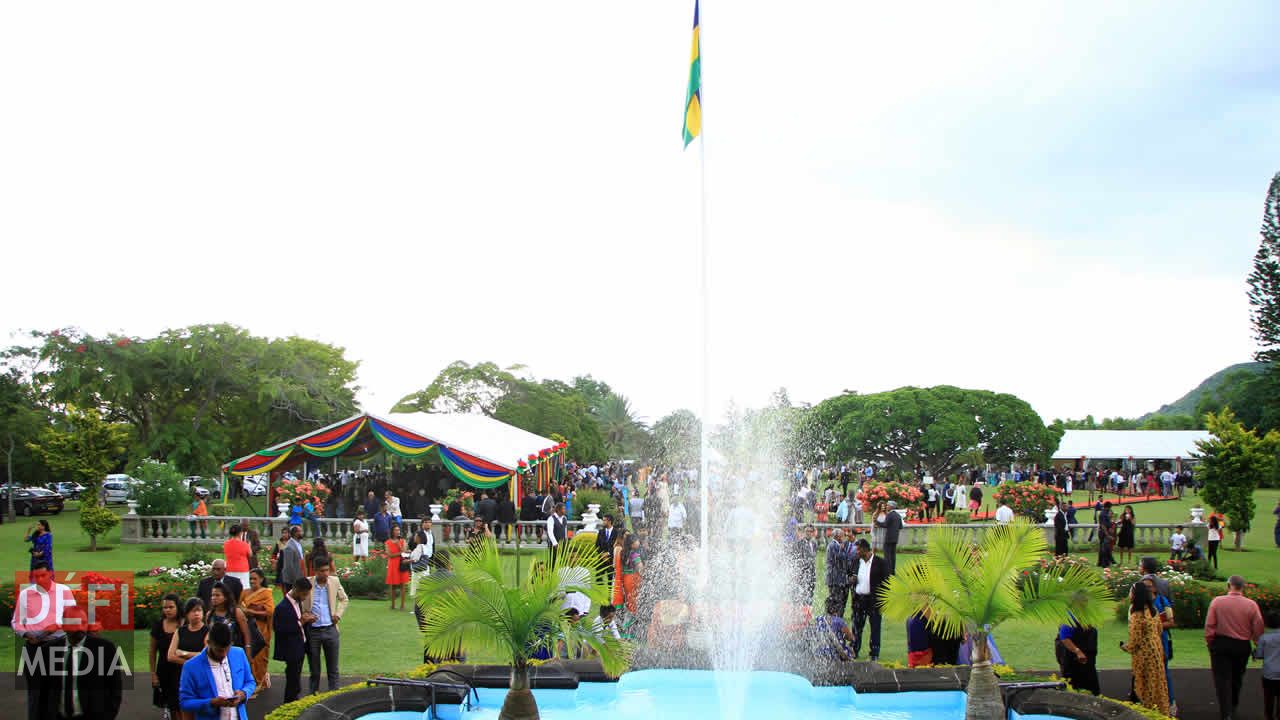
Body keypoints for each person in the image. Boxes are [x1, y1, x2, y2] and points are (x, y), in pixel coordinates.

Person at [13, 563, 76, 720]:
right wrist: (27, 634)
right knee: (35, 692)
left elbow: (74, 618)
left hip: (58, 646)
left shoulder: (64, 592)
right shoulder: (25, 594)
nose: (39, 580)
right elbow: (16, 622)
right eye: (36, 577)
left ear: (51, 574)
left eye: (43, 576)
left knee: (57, 690)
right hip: (33, 647)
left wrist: (57, 626)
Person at [47, 604, 124, 720]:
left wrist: (109, 715)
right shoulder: (48, 650)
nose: (79, 628)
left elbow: (115, 686)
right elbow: (42, 690)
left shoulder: (105, 648)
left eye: (83, 623)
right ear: (63, 626)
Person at [1205, 575, 1265, 719]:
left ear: (1228, 585)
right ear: (1242, 587)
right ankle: (1233, 704)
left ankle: (1225, 712)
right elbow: (1258, 627)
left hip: (1221, 643)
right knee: (1237, 677)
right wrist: (1257, 644)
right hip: (1242, 645)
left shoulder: (1217, 602)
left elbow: (1210, 625)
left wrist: (1210, 642)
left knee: (1221, 678)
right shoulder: (1251, 605)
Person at [178, 621, 256, 720]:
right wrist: (211, 703)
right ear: (209, 643)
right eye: (219, 650)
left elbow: (250, 682)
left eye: (227, 649)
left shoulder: (239, 654)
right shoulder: (191, 667)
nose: (223, 654)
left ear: (231, 643)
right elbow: (185, 702)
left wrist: (243, 694)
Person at [1120, 581, 1170, 715]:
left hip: (1144, 653)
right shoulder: (1153, 609)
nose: (1129, 594)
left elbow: (1135, 639)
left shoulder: (1136, 613)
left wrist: (1125, 647)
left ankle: (1148, 713)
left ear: (1135, 594)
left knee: (1146, 685)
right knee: (1158, 683)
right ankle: (1161, 712)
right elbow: (1159, 629)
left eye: (1131, 592)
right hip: (1156, 648)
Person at [306, 555, 348, 695]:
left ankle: (334, 696)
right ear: (315, 570)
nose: (325, 573)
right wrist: (303, 616)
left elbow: (344, 599)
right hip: (313, 631)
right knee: (315, 669)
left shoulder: (334, 581)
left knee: (333, 668)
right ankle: (313, 696)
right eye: (322, 571)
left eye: (327, 570)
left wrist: (338, 614)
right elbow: (293, 598)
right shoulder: (307, 583)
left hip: (331, 629)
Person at [167, 597, 209, 720]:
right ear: (186, 613)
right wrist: (190, 662)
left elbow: (205, 655)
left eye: (199, 610)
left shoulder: (207, 631)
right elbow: (170, 656)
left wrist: (184, 653)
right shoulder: (180, 631)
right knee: (184, 709)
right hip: (182, 675)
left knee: (201, 709)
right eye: (193, 611)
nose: (196, 613)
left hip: (201, 675)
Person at [273, 578, 313, 704]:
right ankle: (289, 704)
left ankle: (294, 700)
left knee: (296, 679)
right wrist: (302, 621)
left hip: (300, 646)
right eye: (304, 594)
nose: (305, 597)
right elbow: (280, 629)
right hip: (291, 649)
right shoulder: (282, 607)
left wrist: (306, 620)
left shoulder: (297, 602)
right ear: (296, 590)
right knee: (292, 679)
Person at [849, 538, 887, 661]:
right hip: (859, 599)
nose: (856, 552)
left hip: (873, 600)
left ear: (865, 549)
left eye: (858, 549)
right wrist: (851, 580)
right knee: (856, 626)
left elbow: (887, 582)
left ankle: (874, 653)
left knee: (875, 626)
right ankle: (854, 649)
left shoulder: (880, 562)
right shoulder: (856, 561)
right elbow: (850, 575)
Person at [238, 569, 273, 698]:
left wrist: (251, 612)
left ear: (261, 579)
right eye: (250, 579)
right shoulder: (245, 592)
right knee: (248, 656)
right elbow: (238, 606)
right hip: (247, 629)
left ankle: (259, 683)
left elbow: (269, 612)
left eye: (255, 579)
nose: (252, 581)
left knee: (259, 657)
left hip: (261, 630)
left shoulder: (266, 593)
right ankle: (251, 682)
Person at [150, 593, 183, 718]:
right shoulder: (158, 626)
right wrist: (153, 674)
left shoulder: (184, 625)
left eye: (171, 607)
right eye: (165, 608)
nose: (167, 610)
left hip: (180, 670)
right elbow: (152, 651)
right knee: (170, 707)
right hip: (163, 669)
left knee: (181, 706)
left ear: (177, 607)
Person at [1056, 615, 1100, 695]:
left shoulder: (1088, 614)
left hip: (1087, 661)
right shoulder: (1070, 617)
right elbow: (1064, 638)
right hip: (1073, 661)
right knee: (1074, 690)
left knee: (1091, 689)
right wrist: (1078, 652)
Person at [206, 582, 251, 653]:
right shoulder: (210, 615)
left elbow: (246, 635)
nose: (214, 598)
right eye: (212, 595)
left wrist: (248, 651)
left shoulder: (236, 612)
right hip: (215, 653)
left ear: (225, 597)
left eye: (217, 595)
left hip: (234, 651)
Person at [1253, 610, 1280, 720]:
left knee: (1268, 697)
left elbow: (1259, 655)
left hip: (1269, 673)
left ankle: (1269, 716)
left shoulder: (1264, 638)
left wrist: (1254, 653)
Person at [813, 596, 855, 661]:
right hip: (835, 653)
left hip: (820, 652)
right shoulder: (839, 621)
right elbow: (850, 638)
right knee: (850, 652)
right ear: (838, 608)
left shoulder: (819, 619)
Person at [825, 529, 851, 618]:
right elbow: (840, 558)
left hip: (836, 578)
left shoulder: (835, 545)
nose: (844, 537)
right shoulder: (834, 545)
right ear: (837, 536)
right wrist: (843, 549)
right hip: (835, 579)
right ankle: (834, 618)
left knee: (837, 600)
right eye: (842, 535)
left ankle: (837, 618)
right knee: (835, 600)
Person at [385, 524, 410, 610]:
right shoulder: (388, 542)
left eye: (398, 530)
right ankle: (393, 604)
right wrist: (400, 552)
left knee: (403, 584)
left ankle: (402, 605)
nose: (397, 532)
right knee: (393, 585)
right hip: (393, 564)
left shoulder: (402, 541)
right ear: (392, 531)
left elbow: (404, 552)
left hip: (401, 563)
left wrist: (399, 546)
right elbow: (389, 555)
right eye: (395, 530)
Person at [874, 502, 903, 575]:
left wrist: (876, 522)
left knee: (887, 556)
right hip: (895, 538)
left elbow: (885, 524)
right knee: (893, 555)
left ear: (891, 507)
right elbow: (901, 527)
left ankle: (888, 571)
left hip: (888, 538)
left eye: (888, 505)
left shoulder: (890, 515)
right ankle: (892, 571)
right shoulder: (898, 515)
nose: (886, 506)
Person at [409, 518, 434, 598]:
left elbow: (432, 547)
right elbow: (411, 545)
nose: (427, 524)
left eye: (429, 522)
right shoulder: (419, 533)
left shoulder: (431, 534)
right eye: (425, 522)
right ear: (422, 524)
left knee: (423, 583)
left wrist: (432, 561)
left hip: (427, 560)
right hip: (419, 559)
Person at [619, 535, 643, 614]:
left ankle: (630, 614)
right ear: (632, 544)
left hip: (625, 578)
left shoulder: (622, 553)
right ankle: (635, 615)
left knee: (629, 597)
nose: (638, 542)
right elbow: (640, 568)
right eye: (637, 541)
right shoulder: (635, 555)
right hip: (633, 578)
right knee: (635, 598)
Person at [278, 526, 306, 594]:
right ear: (296, 533)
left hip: (299, 577)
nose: (302, 533)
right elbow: (288, 566)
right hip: (292, 580)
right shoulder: (289, 547)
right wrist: (295, 580)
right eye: (300, 531)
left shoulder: (298, 544)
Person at [596, 514, 618, 584]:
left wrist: (608, 554)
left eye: (604, 520)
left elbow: (617, 545)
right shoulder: (601, 532)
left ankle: (609, 594)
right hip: (601, 559)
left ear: (609, 521)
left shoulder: (616, 532)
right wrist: (602, 554)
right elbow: (597, 545)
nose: (603, 522)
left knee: (610, 580)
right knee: (598, 581)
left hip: (612, 559)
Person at [1097, 502, 1115, 568]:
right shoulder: (1103, 514)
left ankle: (1101, 562)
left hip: (1103, 532)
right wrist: (1107, 535)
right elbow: (1103, 525)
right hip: (1104, 532)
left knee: (1103, 548)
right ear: (1108, 507)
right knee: (1105, 548)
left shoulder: (1104, 513)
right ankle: (1105, 563)